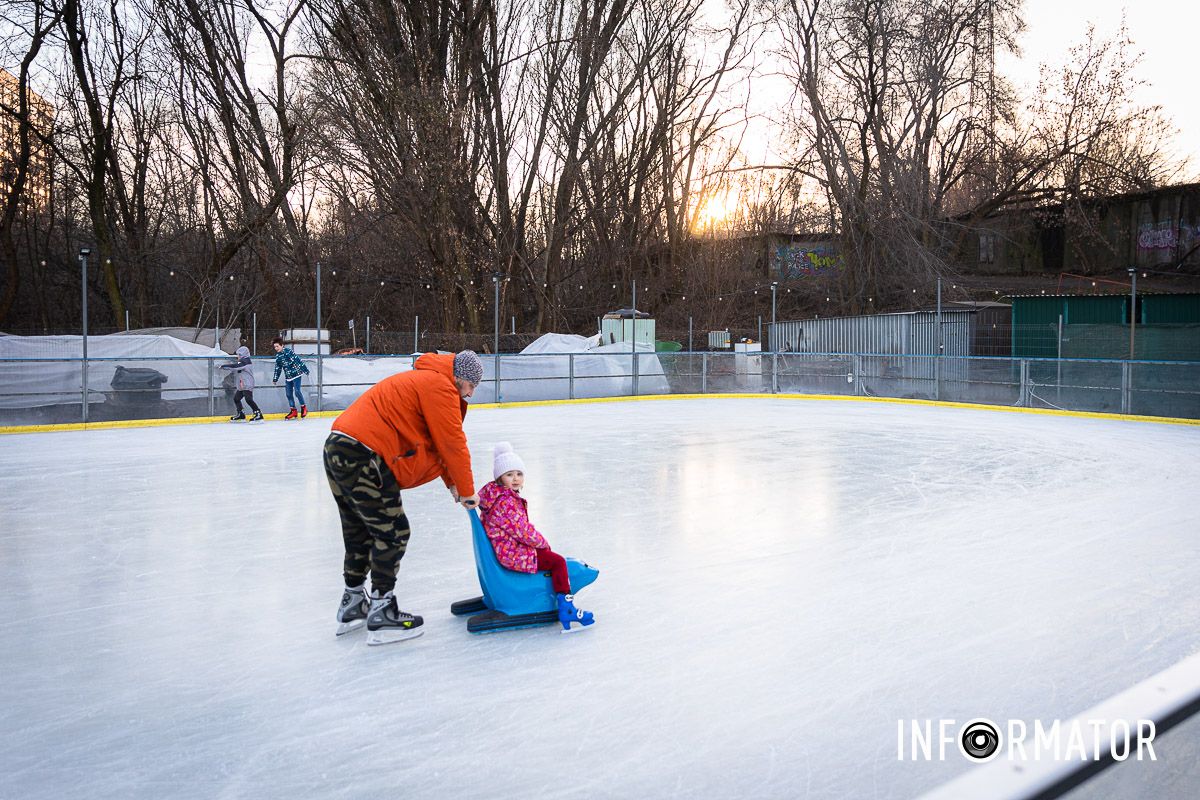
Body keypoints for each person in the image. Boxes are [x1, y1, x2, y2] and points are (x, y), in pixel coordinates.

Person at [324, 350, 484, 645]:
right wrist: (467, 490)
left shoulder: (425, 379)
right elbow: (452, 443)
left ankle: (353, 601)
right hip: (366, 453)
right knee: (394, 531)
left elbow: (436, 444)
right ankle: (382, 610)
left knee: (359, 529)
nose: (471, 393)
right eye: (471, 385)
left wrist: (453, 485)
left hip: (339, 446)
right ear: (459, 377)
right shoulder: (440, 386)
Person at [478, 442, 595, 632]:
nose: (515, 479)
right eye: (509, 475)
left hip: (506, 547)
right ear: (500, 478)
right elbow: (522, 530)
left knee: (551, 558)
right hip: (511, 552)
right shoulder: (505, 502)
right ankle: (567, 609)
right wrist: (543, 544)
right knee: (557, 562)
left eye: (519, 474)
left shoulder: (497, 495)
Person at [271, 336, 311, 420]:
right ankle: (293, 411)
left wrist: (305, 370)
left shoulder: (288, 352)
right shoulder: (278, 356)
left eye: (277, 346)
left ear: (282, 345)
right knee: (288, 394)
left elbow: (298, 360)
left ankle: (304, 408)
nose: (276, 348)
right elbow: (278, 368)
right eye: (275, 347)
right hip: (288, 377)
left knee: (297, 391)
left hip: (296, 374)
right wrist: (275, 379)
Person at [220, 345, 262, 422]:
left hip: (247, 383)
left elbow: (236, 367)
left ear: (243, 354)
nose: (238, 356)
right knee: (236, 399)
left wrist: (225, 366)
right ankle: (241, 414)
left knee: (248, 399)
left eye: (239, 355)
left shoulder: (246, 361)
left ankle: (258, 413)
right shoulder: (242, 361)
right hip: (242, 384)